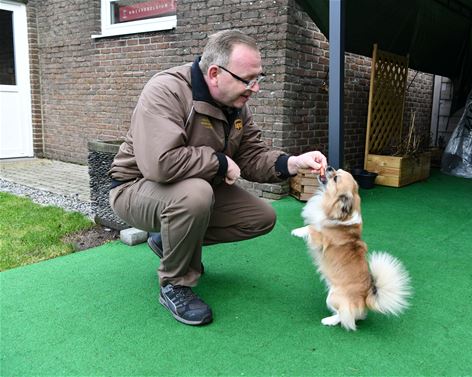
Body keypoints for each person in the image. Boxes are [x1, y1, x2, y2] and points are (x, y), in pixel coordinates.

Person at [109, 29, 327, 326]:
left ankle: (169, 240)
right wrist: (220, 162)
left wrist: (293, 162)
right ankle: (176, 284)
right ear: (214, 73)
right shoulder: (166, 90)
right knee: (196, 194)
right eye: (248, 79)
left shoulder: (236, 106)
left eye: (259, 78)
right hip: (135, 188)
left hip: (188, 189)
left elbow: (251, 156)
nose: (255, 88)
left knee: (260, 217)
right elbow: (159, 164)